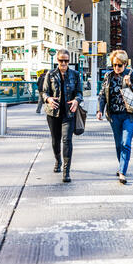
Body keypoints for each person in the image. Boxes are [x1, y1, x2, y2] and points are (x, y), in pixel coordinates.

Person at [97, 50, 133, 184]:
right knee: (119, 145)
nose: (116, 68)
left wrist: (130, 84)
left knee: (126, 143)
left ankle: (122, 172)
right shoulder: (108, 76)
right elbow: (102, 95)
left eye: (119, 65)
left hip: (129, 116)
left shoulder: (132, 74)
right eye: (114, 65)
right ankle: (121, 167)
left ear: (125, 64)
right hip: (114, 116)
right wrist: (99, 110)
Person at [43, 49, 83, 183]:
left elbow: (80, 92)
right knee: (55, 140)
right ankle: (58, 160)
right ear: (57, 61)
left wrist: (77, 100)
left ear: (69, 61)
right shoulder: (50, 74)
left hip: (69, 113)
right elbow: (44, 92)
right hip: (53, 114)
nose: (64, 63)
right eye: (61, 60)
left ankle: (66, 171)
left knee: (67, 140)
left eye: (66, 60)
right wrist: (48, 99)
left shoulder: (75, 74)